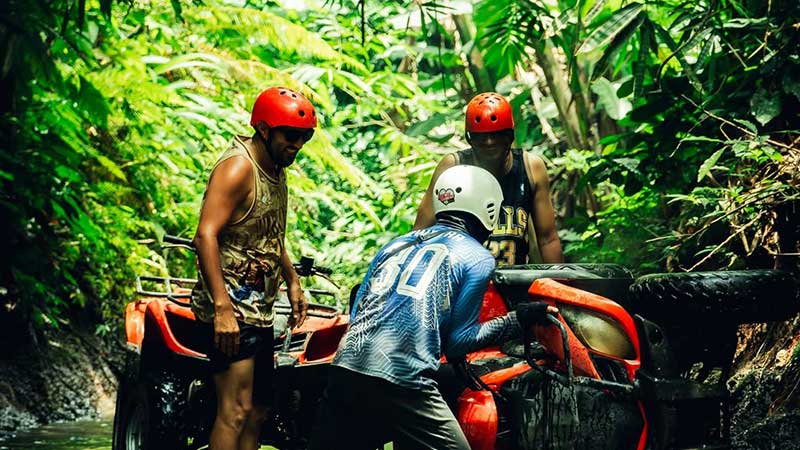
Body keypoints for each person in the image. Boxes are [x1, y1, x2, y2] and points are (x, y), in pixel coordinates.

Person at [310, 165, 558, 450]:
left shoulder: (395, 244)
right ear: (489, 207)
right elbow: (458, 343)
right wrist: (519, 319)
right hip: (403, 379)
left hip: (346, 368)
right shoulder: (477, 257)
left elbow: (358, 310)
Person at [191, 86, 316, 450]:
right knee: (235, 410)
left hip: (258, 308)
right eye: (291, 136)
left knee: (259, 409)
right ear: (264, 129)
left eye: (304, 138)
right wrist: (221, 309)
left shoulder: (276, 167)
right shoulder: (238, 167)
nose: (297, 146)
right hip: (230, 309)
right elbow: (205, 235)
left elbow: (271, 234)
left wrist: (292, 281)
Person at [414, 91, 563, 265]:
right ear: (471, 139)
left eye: (496, 135)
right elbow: (421, 233)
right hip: (462, 281)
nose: (489, 142)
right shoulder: (453, 167)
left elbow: (548, 239)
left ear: (509, 136)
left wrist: (559, 285)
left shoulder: (531, 168)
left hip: (513, 283)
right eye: (481, 137)